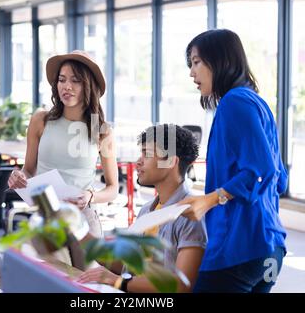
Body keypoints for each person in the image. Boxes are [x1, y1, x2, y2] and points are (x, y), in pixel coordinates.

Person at [178, 29, 288, 293]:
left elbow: (260, 171)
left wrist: (210, 199)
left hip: (239, 247)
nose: (192, 72)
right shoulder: (256, 103)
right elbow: (279, 179)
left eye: (196, 62)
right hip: (270, 249)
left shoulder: (234, 102)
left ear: (220, 61)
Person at [77, 124, 207, 292]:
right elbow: (125, 264)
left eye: (147, 154)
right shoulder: (147, 210)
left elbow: (180, 286)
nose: (138, 161)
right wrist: (75, 229)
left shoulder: (190, 215)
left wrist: (118, 282)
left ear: (171, 162)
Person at [8, 50, 118, 238]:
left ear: (88, 86)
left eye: (75, 81)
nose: (66, 86)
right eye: (62, 79)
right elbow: (28, 170)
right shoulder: (40, 120)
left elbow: (113, 189)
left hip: (83, 222)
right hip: (46, 218)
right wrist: (17, 176)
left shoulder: (101, 130)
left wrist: (91, 196)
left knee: (84, 269)